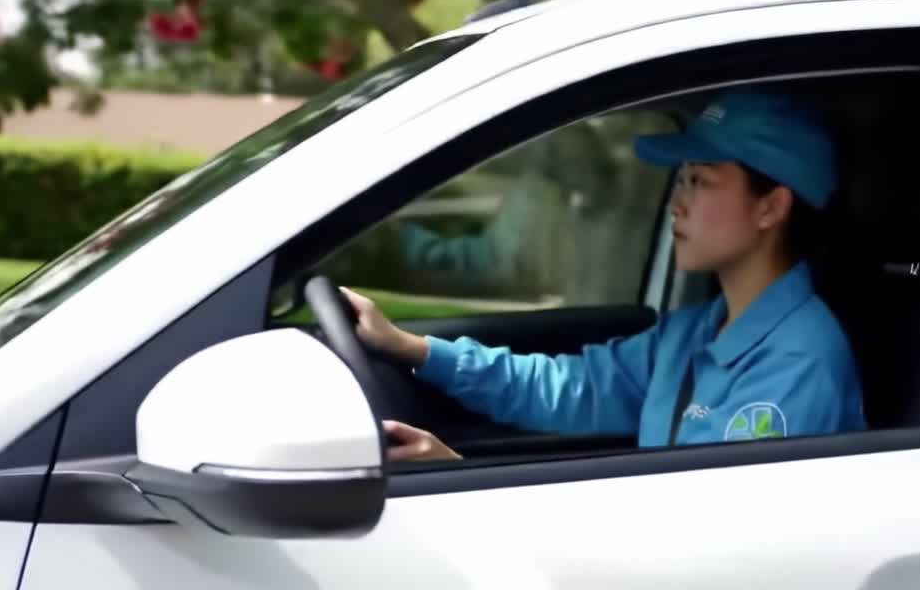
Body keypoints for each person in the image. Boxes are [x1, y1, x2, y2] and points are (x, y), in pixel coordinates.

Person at [344, 86, 868, 462]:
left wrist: (453, 478)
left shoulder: (799, 363)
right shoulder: (694, 331)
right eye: (681, 180)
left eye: (700, 181)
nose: (677, 205)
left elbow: (714, 538)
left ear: (770, 207)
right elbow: (570, 389)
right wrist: (415, 349)